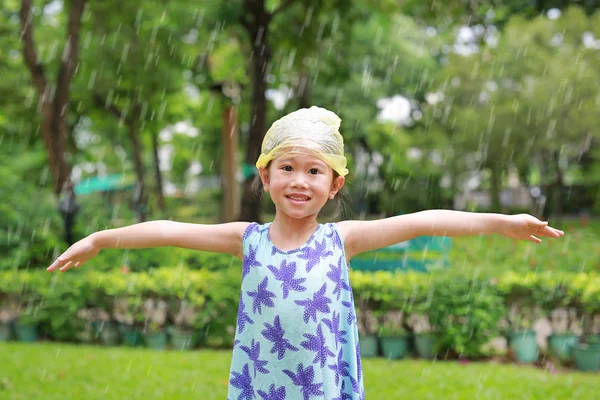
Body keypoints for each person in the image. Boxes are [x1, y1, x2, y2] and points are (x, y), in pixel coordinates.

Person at [47, 106, 564, 400]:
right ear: (265, 176)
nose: (300, 181)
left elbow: (427, 220)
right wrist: (101, 239)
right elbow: (169, 229)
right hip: (259, 385)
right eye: (288, 168)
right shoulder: (246, 240)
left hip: (321, 388)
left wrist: (502, 223)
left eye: (315, 171)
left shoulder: (342, 241)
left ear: (334, 184)